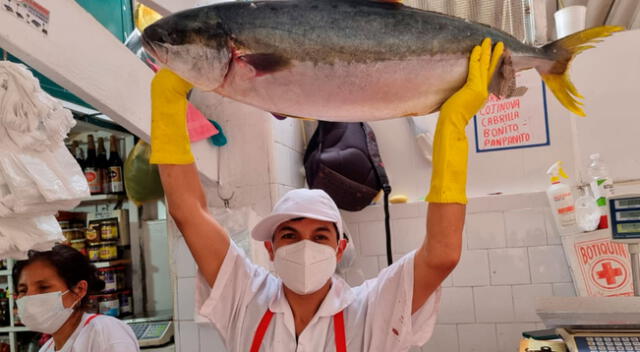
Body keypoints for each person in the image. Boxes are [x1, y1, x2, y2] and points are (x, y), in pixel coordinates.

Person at [151, 38, 503, 351]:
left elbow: (441, 255)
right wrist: (167, 97)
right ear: (270, 249)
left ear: (340, 249)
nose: (305, 245)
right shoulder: (243, 298)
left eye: (320, 236)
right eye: (290, 235)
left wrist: (452, 124)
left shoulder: (372, 309)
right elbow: (188, 212)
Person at [13, 244, 139, 352]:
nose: (30, 297)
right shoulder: (47, 348)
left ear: (79, 289)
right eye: (23, 290)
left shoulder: (104, 332)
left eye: (44, 287)